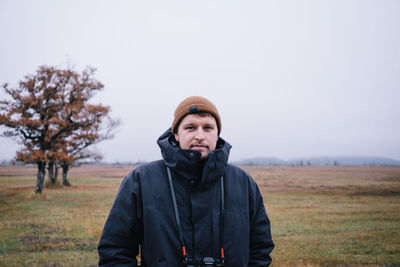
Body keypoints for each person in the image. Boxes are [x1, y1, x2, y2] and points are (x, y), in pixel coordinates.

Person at [98, 96, 274, 266]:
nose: (200, 136)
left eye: (208, 128)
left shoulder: (243, 183)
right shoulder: (141, 181)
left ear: (217, 133)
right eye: (190, 127)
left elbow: (260, 248)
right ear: (176, 133)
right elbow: (115, 250)